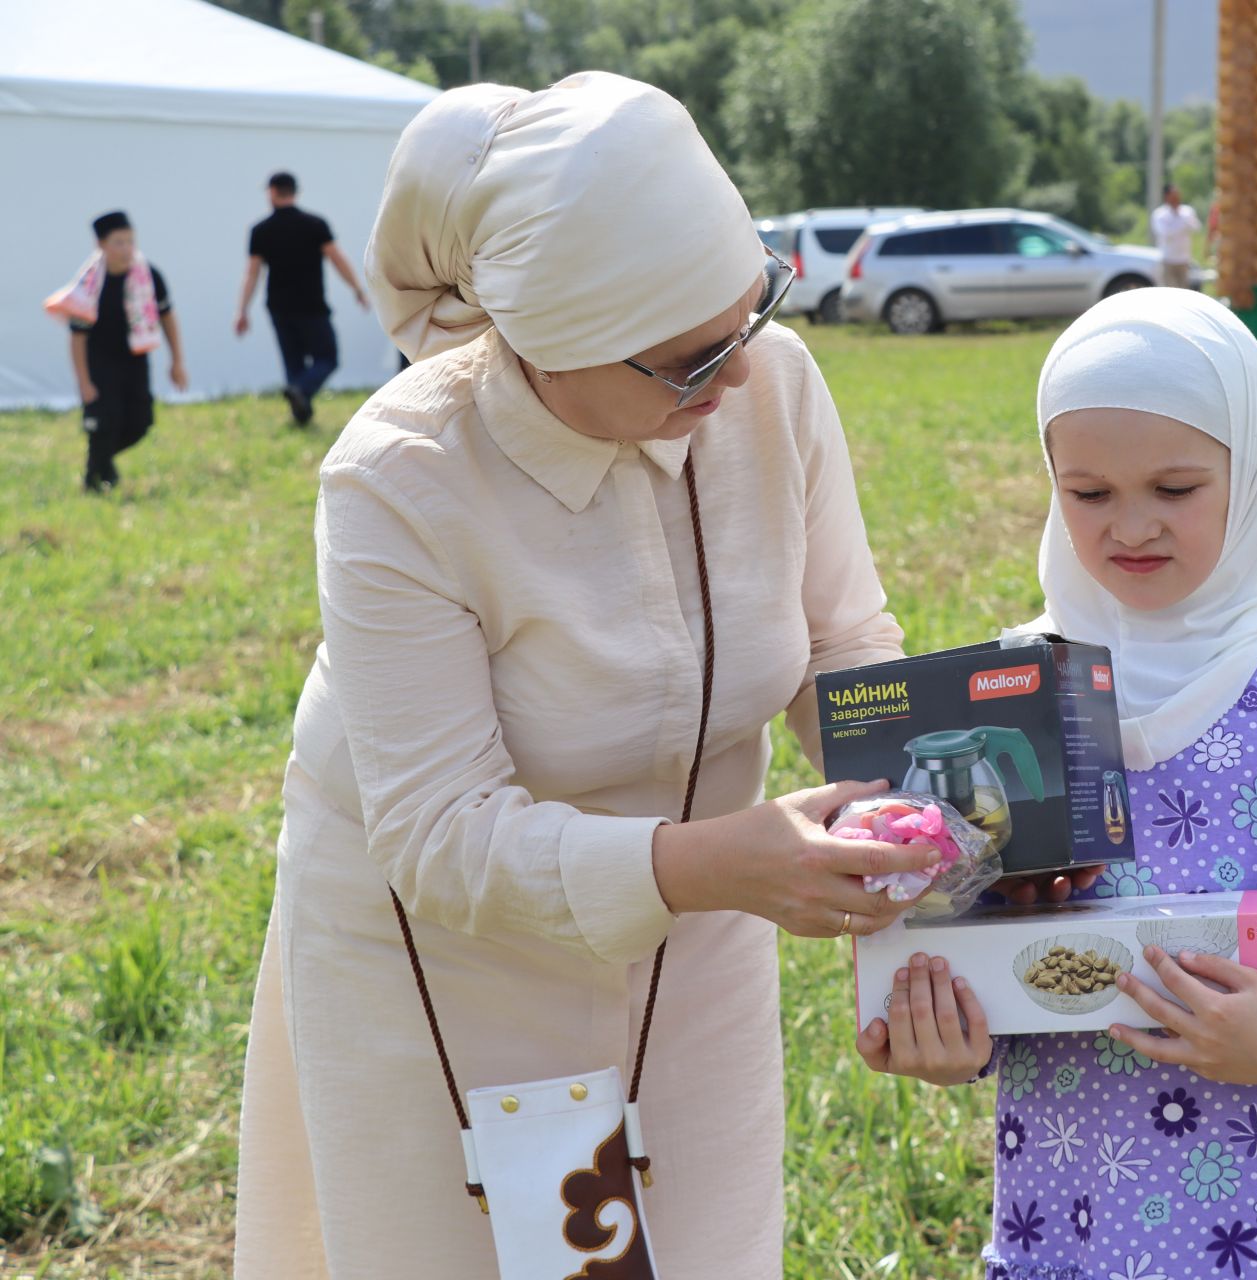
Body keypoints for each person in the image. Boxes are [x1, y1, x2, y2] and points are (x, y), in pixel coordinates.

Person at [232, 74, 941, 1279]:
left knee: (706, 1241)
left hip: (704, 924)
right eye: (685, 361)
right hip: (441, 960)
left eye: (752, 310)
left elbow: (841, 645)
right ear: (541, 344)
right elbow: (440, 834)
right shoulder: (398, 479)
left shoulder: (773, 388)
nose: (736, 380)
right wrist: (719, 858)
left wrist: (935, 798)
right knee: (459, 1248)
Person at [857, 288, 1257, 1279]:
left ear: (1249, 474)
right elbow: (974, 936)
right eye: (1091, 492)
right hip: (1056, 1222)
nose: (1133, 526)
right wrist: (946, 1024)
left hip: (1251, 1233)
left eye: (1176, 486)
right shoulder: (1019, 689)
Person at [43, 211, 187, 493]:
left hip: (135, 359)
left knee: (140, 422)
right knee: (102, 424)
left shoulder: (149, 277)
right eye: (118, 242)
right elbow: (78, 337)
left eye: (130, 241)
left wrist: (177, 361)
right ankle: (95, 481)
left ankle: (100, 466)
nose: (126, 249)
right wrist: (83, 381)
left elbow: (167, 317)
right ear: (101, 245)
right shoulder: (89, 285)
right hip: (99, 364)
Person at [235, 171, 369, 426]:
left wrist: (242, 310)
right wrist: (357, 289)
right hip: (312, 305)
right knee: (327, 358)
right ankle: (301, 403)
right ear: (295, 192)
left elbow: (251, 274)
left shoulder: (261, 230)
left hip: (279, 308)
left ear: (272, 192)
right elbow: (337, 259)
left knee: (293, 364)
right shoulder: (315, 224)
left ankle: (299, 402)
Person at [1151, 183, 1203, 288]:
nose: (1176, 198)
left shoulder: (1187, 211)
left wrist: (1181, 223)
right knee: (1169, 292)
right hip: (1168, 259)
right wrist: (1183, 225)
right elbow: (1164, 233)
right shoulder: (1160, 214)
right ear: (1166, 196)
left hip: (1184, 259)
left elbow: (1197, 227)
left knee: (1184, 291)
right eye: (1173, 195)